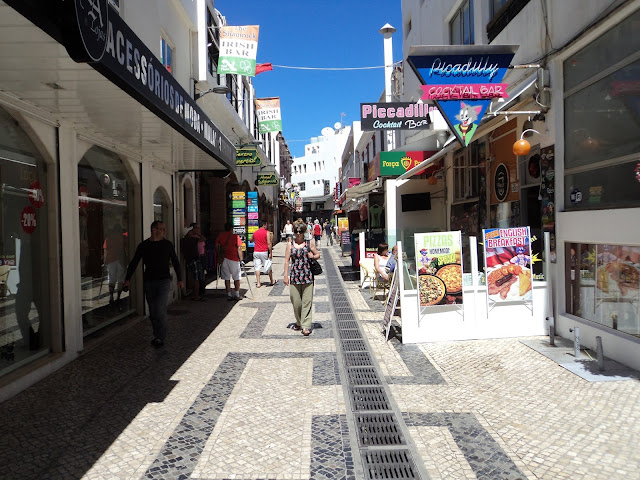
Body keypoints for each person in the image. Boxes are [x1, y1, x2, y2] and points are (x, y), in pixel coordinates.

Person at [124, 221, 183, 347]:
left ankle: (160, 337)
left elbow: (176, 262)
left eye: (164, 229)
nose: (164, 232)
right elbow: (134, 262)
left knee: (160, 310)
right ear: (154, 230)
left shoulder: (168, 245)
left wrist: (180, 279)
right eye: (162, 229)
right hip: (149, 281)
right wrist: (127, 279)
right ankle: (157, 334)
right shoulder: (144, 246)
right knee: (152, 311)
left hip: (164, 281)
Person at [283, 219, 320, 336]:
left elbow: (317, 254)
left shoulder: (309, 243)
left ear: (304, 232)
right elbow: (286, 260)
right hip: (295, 276)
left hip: (308, 276)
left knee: (307, 302)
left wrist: (312, 256)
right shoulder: (290, 244)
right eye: (296, 231)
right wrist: (285, 276)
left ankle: (306, 326)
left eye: (300, 231)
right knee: (296, 302)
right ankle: (299, 322)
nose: (298, 233)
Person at [215, 222, 243, 300]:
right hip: (234, 258)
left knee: (226, 277)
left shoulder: (220, 235)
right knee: (236, 277)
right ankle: (237, 294)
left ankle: (229, 294)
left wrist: (218, 254)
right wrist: (241, 259)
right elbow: (239, 248)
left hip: (224, 258)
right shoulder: (235, 236)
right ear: (232, 229)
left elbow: (216, 245)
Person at [103, 225, 127, 305]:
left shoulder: (108, 239)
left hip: (111, 260)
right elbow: (126, 249)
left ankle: (111, 297)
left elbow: (105, 251)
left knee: (112, 279)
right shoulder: (123, 237)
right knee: (120, 279)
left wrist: (104, 261)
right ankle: (118, 297)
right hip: (121, 260)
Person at [181, 223, 204, 301]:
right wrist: (197, 234)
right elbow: (203, 239)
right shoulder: (192, 240)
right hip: (194, 260)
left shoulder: (183, 241)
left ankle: (195, 295)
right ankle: (196, 296)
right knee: (196, 279)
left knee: (193, 278)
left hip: (189, 260)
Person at [252, 221, 275, 287]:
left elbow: (251, 240)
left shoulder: (255, 232)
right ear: (264, 225)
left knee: (257, 267)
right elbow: (269, 243)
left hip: (256, 251)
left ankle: (258, 283)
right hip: (264, 251)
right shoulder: (267, 232)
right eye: (266, 225)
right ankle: (271, 281)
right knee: (268, 266)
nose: (267, 226)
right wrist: (270, 252)